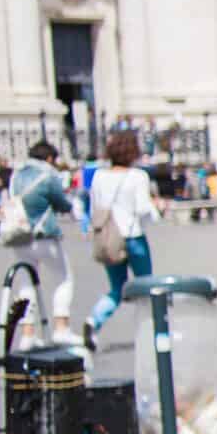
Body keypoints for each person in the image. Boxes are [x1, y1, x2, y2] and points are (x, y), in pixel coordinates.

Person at [82, 130, 158, 346]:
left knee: (117, 288)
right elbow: (143, 209)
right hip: (133, 236)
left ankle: (93, 320)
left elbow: (95, 206)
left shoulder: (98, 176)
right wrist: (157, 210)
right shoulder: (137, 176)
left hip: (109, 237)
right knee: (146, 286)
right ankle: (150, 330)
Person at [6, 140, 81, 347]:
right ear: (49, 158)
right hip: (44, 235)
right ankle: (61, 327)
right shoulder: (48, 174)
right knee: (63, 277)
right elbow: (61, 203)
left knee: (26, 282)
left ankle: (28, 334)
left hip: (20, 235)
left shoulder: (16, 175)